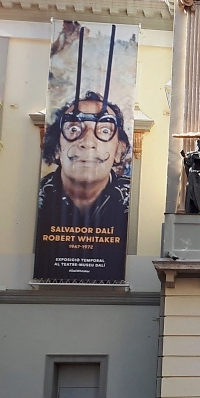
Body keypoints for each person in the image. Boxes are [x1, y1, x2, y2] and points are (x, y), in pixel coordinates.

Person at [34, 90, 132, 279]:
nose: (88, 143)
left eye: (104, 131)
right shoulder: (38, 199)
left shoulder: (130, 201)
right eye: (74, 129)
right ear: (56, 148)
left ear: (119, 150)